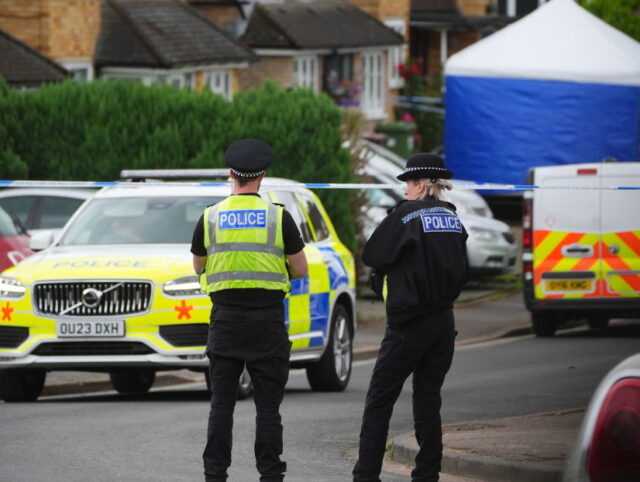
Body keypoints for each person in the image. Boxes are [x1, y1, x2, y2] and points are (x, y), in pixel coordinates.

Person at [191, 139, 308, 482]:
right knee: (268, 408)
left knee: (221, 406)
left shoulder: (210, 216)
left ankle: (215, 475)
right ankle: (270, 474)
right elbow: (300, 269)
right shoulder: (279, 217)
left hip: (225, 321)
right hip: (267, 324)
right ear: (263, 177)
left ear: (231, 174)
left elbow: (199, 266)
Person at [352, 153, 468, 482]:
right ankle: (427, 473)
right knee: (428, 397)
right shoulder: (452, 217)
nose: (404, 190)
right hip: (443, 322)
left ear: (420, 185)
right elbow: (463, 269)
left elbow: (373, 254)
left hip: (408, 323)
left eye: (407, 183)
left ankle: (365, 475)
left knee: (379, 400)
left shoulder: (405, 216)